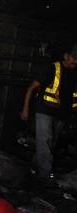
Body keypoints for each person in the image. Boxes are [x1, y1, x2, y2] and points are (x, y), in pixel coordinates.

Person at [21, 44, 77, 183]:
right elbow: (31, 88)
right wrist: (25, 109)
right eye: (73, 58)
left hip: (61, 114)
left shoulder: (75, 73)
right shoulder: (51, 69)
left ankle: (33, 168)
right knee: (45, 142)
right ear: (66, 56)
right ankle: (44, 177)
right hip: (44, 111)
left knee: (49, 144)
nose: (75, 62)